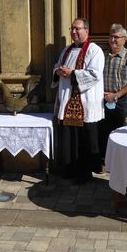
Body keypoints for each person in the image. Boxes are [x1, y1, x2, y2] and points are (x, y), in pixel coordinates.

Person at [52, 18, 105, 184]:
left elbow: (95, 74)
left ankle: (84, 173)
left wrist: (73, 73)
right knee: (69, 138)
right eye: (72, 28)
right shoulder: (67, 50)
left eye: (77, 29)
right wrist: (58, 71)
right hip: (68, 100)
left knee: (84, 139)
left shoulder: (94, 50)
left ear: (86, 31)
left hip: (86, 102)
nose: (74, 32)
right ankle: (69, 169)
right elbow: (57, 66)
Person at [101, 23, 127, 160]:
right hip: (103, 100)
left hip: (122, 101)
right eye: (111, 36)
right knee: (104, 131)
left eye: (116, 37)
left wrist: (116, 95)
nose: (113, 40)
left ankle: (123, 161)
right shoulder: (102, 55)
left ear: (124, 39)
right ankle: (106, 160)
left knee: (123, 131)